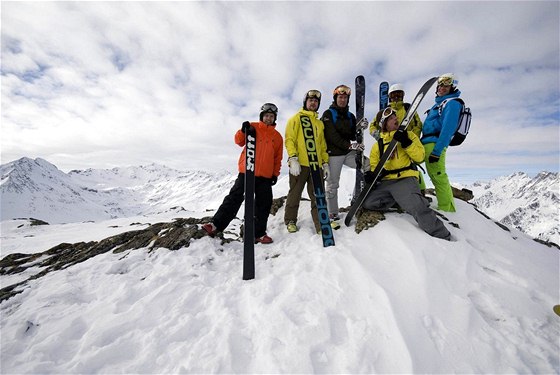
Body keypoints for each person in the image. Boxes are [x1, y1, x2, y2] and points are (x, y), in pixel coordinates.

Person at [362, 107, 451, 240]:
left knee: (417, 207)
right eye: (391, 118)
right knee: (369, 203)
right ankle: (398, 200)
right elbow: (375, 167)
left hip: (405, 179)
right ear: (384, 124)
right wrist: (372, 175)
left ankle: (442, 235)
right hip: (386, 182)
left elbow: (420, 157)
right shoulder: (378, 146)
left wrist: (406, 143)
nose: (396, 119)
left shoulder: (409, 135)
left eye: (395, 117)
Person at [202, 103, 283, 244]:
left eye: (271, 116)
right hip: (247, 171)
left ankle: (258, 234)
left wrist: (275, 174)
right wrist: (242, 130)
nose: (269, 118)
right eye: (266, 116)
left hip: (265, 176)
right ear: (261, 116)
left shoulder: (277, 137)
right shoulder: (252, 127)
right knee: (234, 198)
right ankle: (215, 225)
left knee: (264, 204)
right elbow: (238, 141)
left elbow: (278, 158)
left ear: (274, 118)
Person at [321, 84, 369, 227]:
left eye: (345, 98)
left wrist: (360, 128)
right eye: (340, 97)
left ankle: (357, 196)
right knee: (332, 184)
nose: (342, 100)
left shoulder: (350, 116)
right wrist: (349, 145)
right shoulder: (328, 114)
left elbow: (352, 134)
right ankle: (333, 213)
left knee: (366, 164)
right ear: (335, 98)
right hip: (333, 154)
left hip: (347, 152)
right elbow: (331, 135)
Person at [284, 89, 330, 233]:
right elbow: (289, 139)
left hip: (316, 166)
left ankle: (320, 224)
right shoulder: (296, 119)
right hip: (300, 164)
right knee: (295, 194)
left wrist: (325, 163)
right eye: (311, 100)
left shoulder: (319, 124)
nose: (313, 103)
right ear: (305, 102)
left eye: (316, 101)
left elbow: (322, 145)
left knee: (318, 195)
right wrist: (293, 158)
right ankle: (291, 220)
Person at [370, 83, 428, 196]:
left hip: (405, 142)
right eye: (393, 95)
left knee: (411, 167)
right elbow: (372, 126)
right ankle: (392, 192)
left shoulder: (408, 108)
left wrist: (410, 138)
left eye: (399, 94)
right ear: (390, 97)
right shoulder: (386, 112)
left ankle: (420, 192)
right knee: (393, 166)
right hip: (389, 142)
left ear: (402, 96)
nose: (396, 97)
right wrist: (380, 138)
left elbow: (418, 125)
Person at [420, 73, 461, 212]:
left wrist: (437, 151)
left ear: (452, 86)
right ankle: (420, 195)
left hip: (434, 144)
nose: (442, 87)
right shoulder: (439, 104)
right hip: (425, 144)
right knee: (411, 167)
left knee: (438, 175)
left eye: (446, 84)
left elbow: (448, 129)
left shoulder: (452, 103)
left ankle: (447, 209)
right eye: (440, 84)